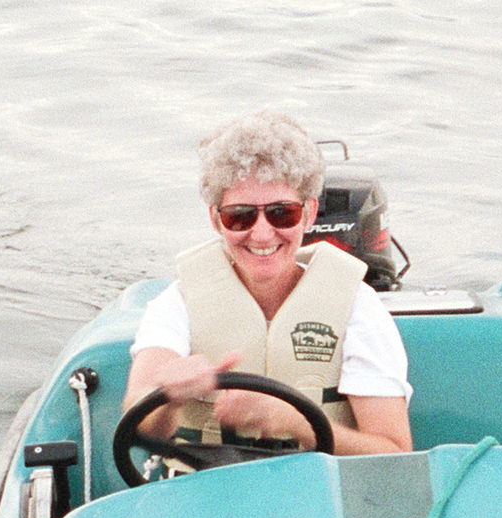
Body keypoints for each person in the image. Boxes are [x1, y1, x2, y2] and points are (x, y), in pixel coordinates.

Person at [122, 111, 412, 457]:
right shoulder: (178, 303)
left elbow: (394, 454)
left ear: (307, 213)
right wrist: (167, 396)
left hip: (316, 499)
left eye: (281, 213)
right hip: (205, 495)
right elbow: (137, 421)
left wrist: (293, 421)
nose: (261, 233)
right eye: (240, 216)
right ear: (216, 220)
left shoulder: (358, 307)